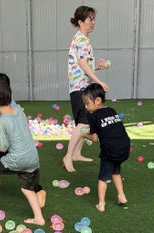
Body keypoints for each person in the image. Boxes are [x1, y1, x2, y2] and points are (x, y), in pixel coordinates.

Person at [0, 82, 45, 226]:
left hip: (17, 158)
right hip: (33, 157)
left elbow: (2, 147)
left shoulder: (2, 121)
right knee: (27, 188)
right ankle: (39, 218)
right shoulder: (19, 110)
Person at [63, 5, 110, 172]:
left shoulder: (81, 39)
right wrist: (99, 82)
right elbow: (82, 64)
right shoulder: (82, 40)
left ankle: (76, 153)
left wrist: (97, 67)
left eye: (94, 18)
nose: (93, 22)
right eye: (90, 19)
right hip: (80, 87)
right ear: (81, 21)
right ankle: (68, 156)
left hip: (80, 86)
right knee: (83, 123)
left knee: (83, 122)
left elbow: (83, 64)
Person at [81, 83, 129, 212]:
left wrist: (85, 135)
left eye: (87, 103)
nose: (86, 107)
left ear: (97, 101)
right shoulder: (112, 110)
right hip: (124, 146)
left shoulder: (93, 116)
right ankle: (122, 196)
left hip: (110, 149)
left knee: (103, 178)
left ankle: (101, 204)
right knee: (116, 171)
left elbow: (95, 138)